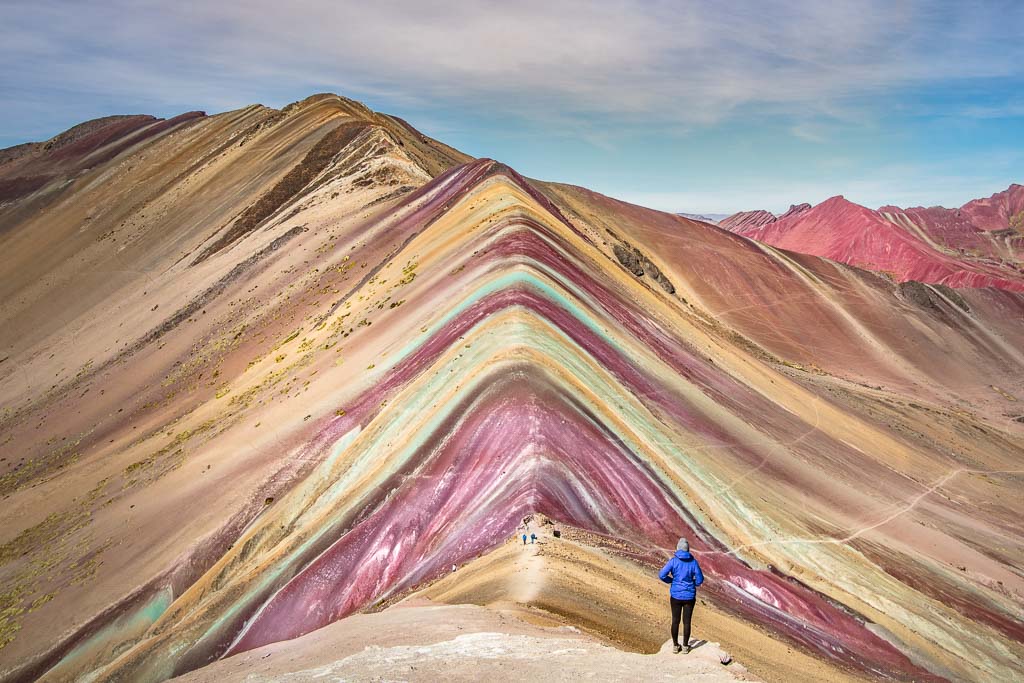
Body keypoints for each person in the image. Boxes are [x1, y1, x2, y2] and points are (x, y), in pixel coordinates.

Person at [659, 538, 704, 654]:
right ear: (688, 549)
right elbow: (700, 580)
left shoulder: (674, 561)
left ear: (678, 548)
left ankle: (675, 646)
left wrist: (671, 581)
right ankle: (685, 646)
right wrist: (692, 583)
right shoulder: (693, 562)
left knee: (675, 620)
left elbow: (662, 575)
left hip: (676, 595)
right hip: (689, 596)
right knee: (687, 622)